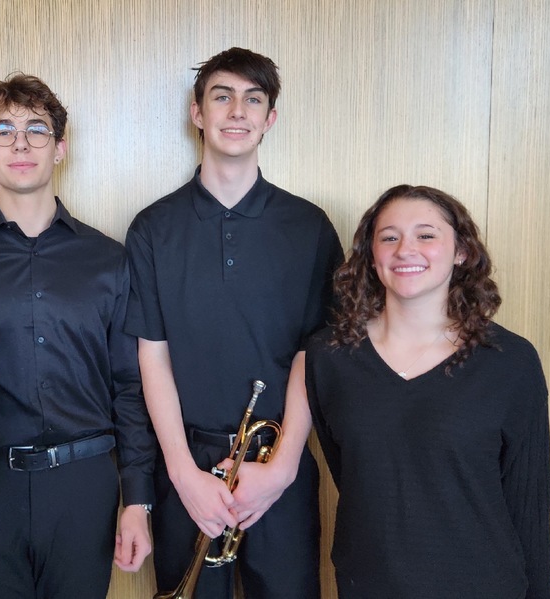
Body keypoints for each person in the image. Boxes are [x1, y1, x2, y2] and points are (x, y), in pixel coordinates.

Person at [0, 73, 156, 599]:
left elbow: (130, 385)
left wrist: (137, 500)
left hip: (86, 485)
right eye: (2, 130)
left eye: (36, 129)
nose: (20, 143)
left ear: (60, 148)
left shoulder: (110, 260)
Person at [124, 48, 343, 597]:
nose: (237, 111)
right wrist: (181, 474)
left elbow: (313, 352)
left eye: (253, 99)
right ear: (198, 113)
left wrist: (286, 465)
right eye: (222, 96)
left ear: (270, 118)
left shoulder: (310, 226)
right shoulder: (153, 228)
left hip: (279, 464)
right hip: (187, 470)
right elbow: (152, 354)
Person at [304, 184, 550, 598]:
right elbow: (354, 477)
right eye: (389, 237)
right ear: (371, 254)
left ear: (461, 252)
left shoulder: (510, 361)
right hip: (367, 585)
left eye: (426, 235)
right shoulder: (329, 356)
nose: (406, 249)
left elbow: (528, 506)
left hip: (485, 585)